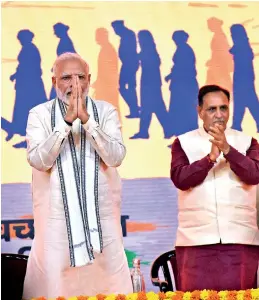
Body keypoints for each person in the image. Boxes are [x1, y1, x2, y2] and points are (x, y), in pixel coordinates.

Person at [23, 52, 133, 299]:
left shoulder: (105, 112)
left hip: (103, 222)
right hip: (56, 225)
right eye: (66, 78)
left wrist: (87, 121)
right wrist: (65, 123)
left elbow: (116, 157)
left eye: (80, 77)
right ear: (54, 83)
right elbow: (39, 160)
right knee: (55, 288)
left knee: (109, 288)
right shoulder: (39, 114)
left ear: (90, 80)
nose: (74, 84)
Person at [170, 84, 259, 291]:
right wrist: (210, 158)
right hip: (195, 242)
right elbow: (180, 179)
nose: (219, 115)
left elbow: (254, 174)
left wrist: (227, 150)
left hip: (240, 240)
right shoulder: (183, 143)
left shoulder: (248, 142)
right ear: (200, 111)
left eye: (223, 108)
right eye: (212, 109)